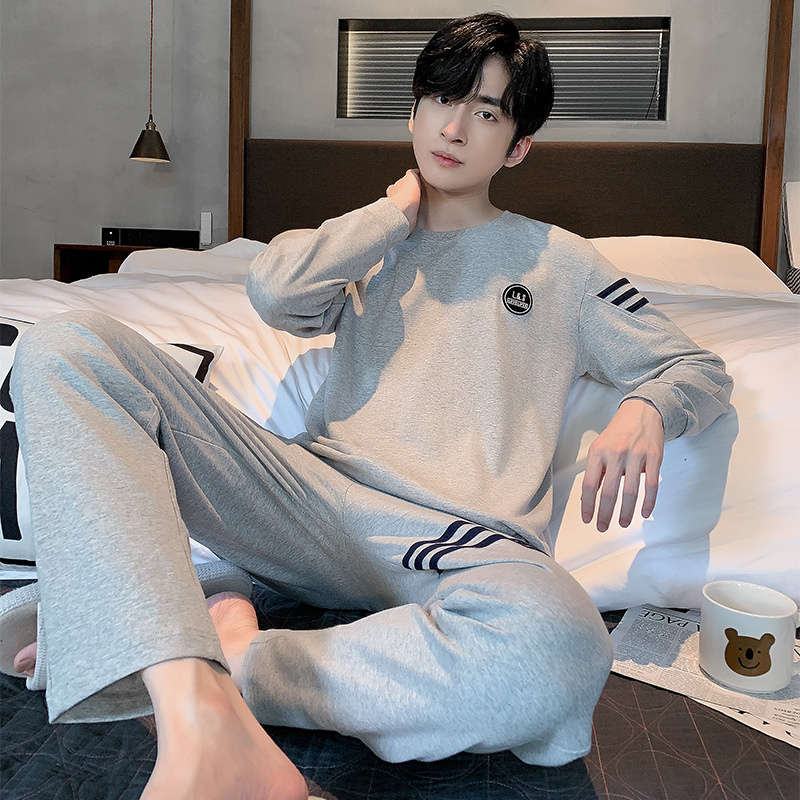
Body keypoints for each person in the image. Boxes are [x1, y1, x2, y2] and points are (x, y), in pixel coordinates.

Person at [2, 12, 732, 800]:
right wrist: (389, 215)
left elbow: (694, 365)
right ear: (413, 112)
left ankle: (219, 659)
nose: (454, 127)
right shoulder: (367, 243)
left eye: (486, 113)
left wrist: (648, 406)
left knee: (562, 645)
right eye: (441, 99)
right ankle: (184, 674)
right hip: (309, 503)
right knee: (66, 346)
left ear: (517, 147)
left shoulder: (564, 265)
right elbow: (275, 292)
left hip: (459, 541)